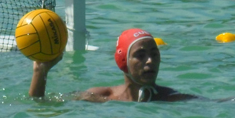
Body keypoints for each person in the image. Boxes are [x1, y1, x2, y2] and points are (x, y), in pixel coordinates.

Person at [29, 28, 197, 102]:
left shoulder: (171, 98)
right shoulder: (101, 97)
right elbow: (40, 104)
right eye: (140, 55)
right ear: (123, 61)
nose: (150, 60)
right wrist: (40, 71)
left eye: (154, 54)